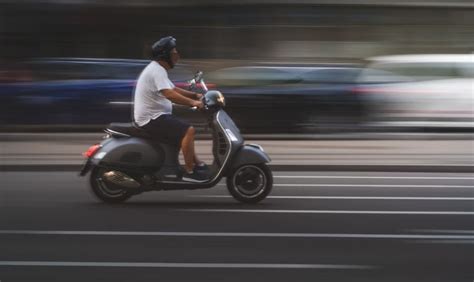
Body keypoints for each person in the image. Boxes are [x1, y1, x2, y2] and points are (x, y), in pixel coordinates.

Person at [133, 36, 208, 182]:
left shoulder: (158, 69)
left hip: (156, 116)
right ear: (165, 55)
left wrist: (196, 95)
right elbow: (170, 94)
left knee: (182, 131)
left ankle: (196, 163)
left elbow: (172, 89)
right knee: (188, 130)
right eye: (174, 52)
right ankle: (190, 171)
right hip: (151, 118)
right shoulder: (156, 70)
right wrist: (194, 103)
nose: (177, 55)